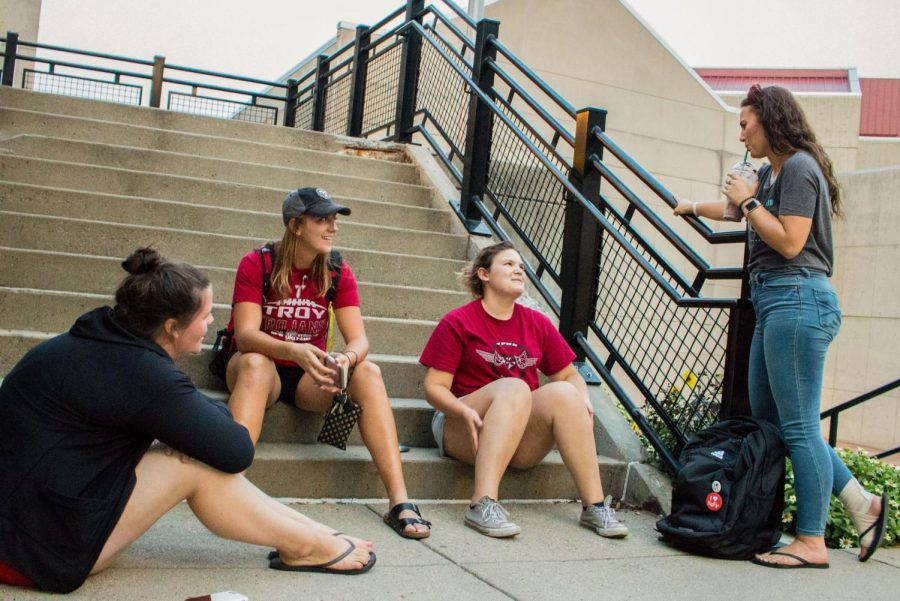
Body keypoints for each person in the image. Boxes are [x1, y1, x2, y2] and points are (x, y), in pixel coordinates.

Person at [0, 248, 375, 594]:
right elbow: (236, 450)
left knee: (188, 451)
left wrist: (177, 427)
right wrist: (178, 429)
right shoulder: (142, 373)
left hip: (26, 520)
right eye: (205, 315)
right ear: (171, 327)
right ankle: (306, 543)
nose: (212, 323)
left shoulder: (99, 340)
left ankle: (311, 535)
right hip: (35, 551)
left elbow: (204, 421)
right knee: (192, 465)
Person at [674, 84, 888, 568]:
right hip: (775, 303)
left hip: (797, 298)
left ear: (770, 121)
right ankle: (862, 505)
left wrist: (750, 202)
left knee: (798, 426)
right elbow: (735, 212)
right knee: (772, 424)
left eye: (746, 125)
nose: (742, 135)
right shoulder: (771, 173)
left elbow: (791, 242)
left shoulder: (798, 168)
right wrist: (691, 205)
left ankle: (811, 541)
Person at [223, 187, 431, 539]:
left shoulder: (336, 269)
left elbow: (360, 340)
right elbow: (245, 336)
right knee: (257, 363)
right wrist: (295, 350)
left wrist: (345, 360)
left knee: (368, 371)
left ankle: (400, 501)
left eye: (334, 219)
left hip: (310, 377)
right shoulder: (257, 263)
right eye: (322, 219)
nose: (332, 227)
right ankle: (229, 488)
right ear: (295, 226)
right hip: (259, 373)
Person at [419, 241, 629, 539]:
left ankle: (594, 507)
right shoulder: (459, 321)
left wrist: (580, 397)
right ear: (484, 274)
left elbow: (570, 374)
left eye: (520, 266)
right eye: (508, 264)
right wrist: (462, 409)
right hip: (463, 426)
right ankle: (482, 503)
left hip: (517, 433)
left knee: (565, 392)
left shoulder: (537, 323)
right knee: (516, 387)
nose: (518, 269)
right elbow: (434, 387)